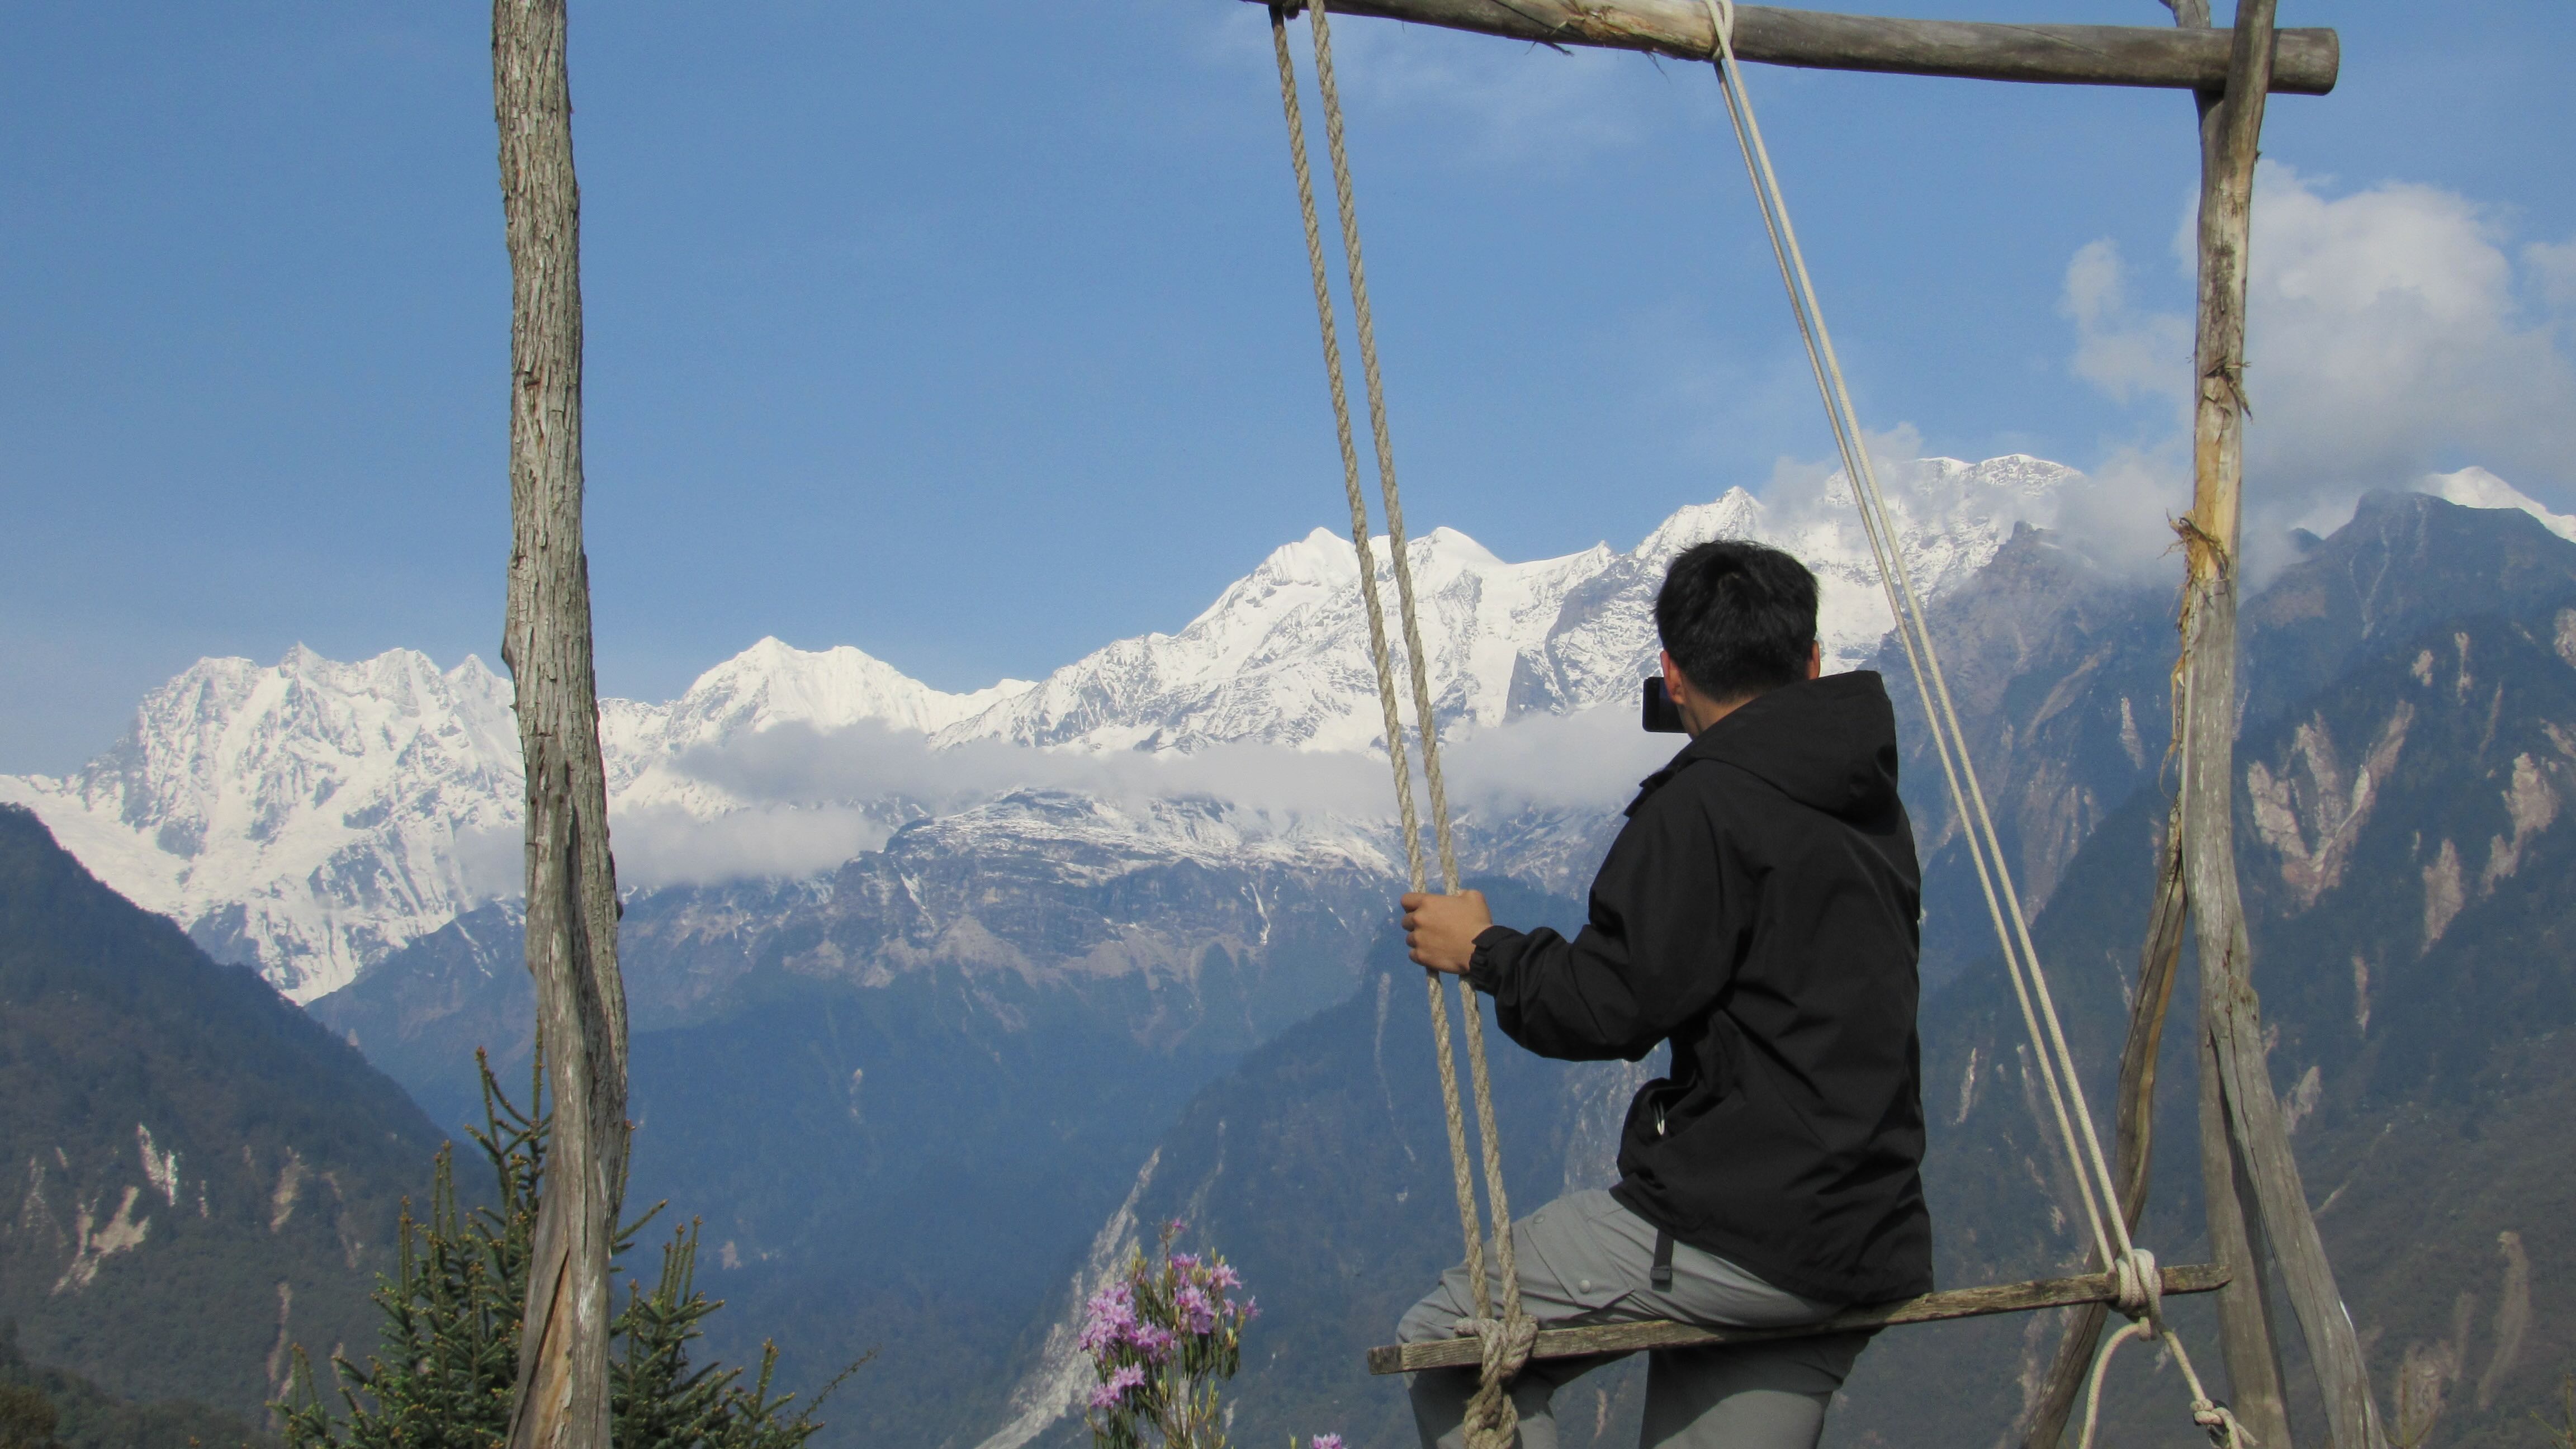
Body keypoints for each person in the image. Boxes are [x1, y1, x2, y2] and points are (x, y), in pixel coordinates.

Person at [1396, 539, 1930, 1449]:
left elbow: (1607, 1004)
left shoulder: (1707, 805)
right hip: (1860, 1235)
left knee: (1448, 1347)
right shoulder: (1865, 795)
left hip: (1735, 1224)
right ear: (1810, 661)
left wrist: (1482, 950)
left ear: (1671, 674)